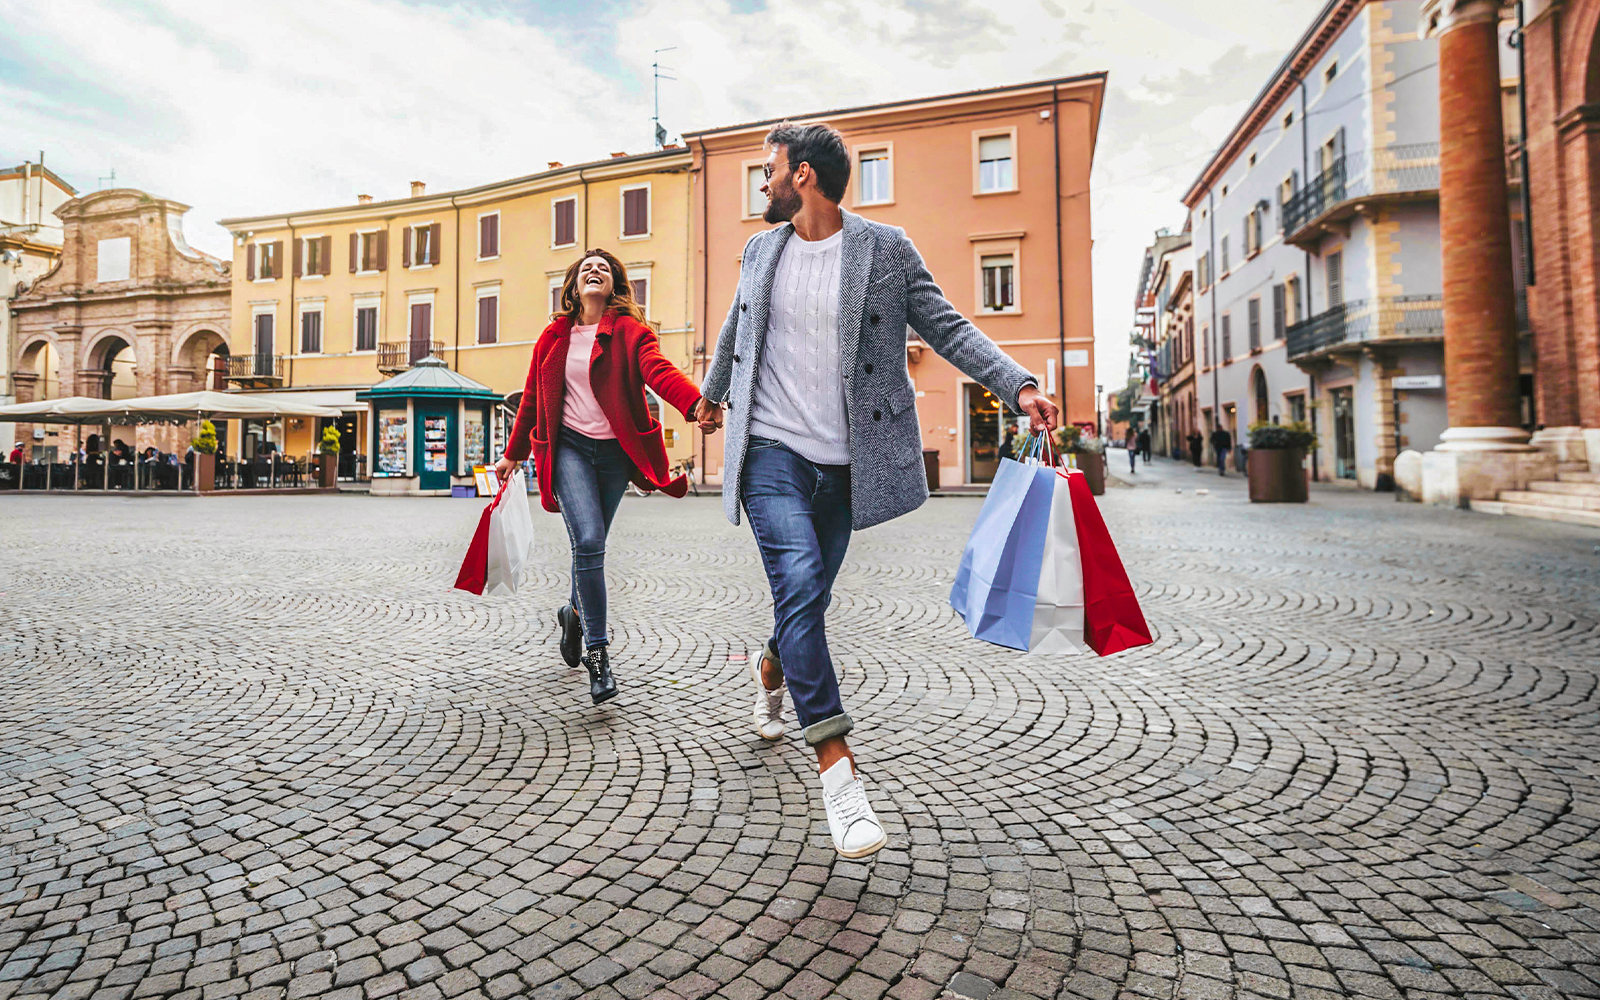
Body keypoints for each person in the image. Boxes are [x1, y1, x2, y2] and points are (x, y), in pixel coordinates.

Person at [693, 122, 1058, 859]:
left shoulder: (884, 249)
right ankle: (838, 770)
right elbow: (737, 329)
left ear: (802, 175)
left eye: (768, 170)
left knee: (808, 598)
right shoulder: (761, 249)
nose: (761, 183)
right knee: (797, 580)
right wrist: (710, 396)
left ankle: (773, 666)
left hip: (847, 461)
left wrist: (1015, 385)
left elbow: (947, 326)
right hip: (770, 448)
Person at [497, 249, 702, 706]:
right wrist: (514, 454)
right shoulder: (552, 337)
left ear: (614, 286)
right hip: (568, 448)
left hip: (613, 455)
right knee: (588, 540)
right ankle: (598, 652)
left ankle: (573, 612)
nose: (595, 271)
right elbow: (532, 396)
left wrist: (694, 404)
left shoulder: (631, 332)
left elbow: (659, 372)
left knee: (590, 547)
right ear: (573, 285)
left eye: (604, 269)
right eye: (587, 267)